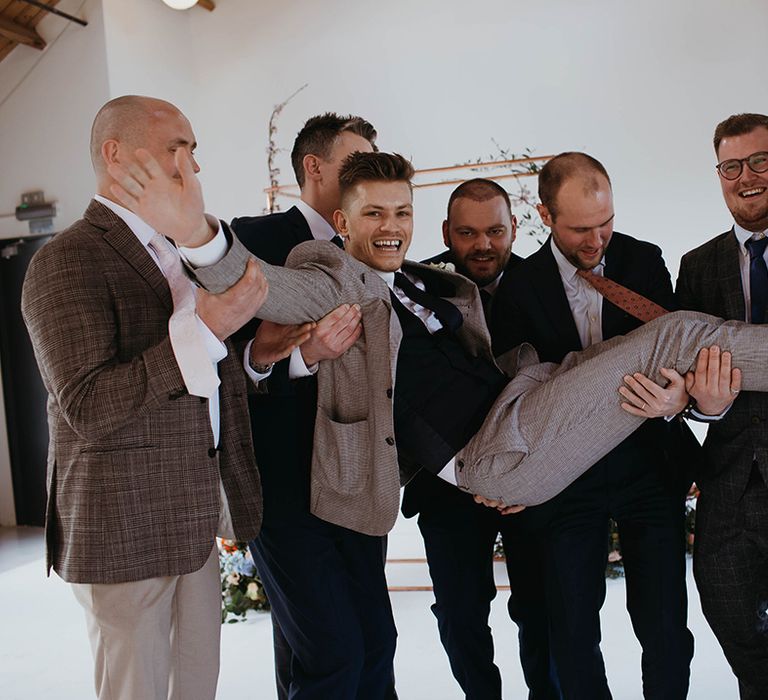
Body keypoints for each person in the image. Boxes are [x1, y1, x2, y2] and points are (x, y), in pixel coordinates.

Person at [110, 145, 768, 537]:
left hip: (522, 407)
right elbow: (260, 284)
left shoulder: (429, 281)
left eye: (401, 211)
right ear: (342, 222)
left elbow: (490, 349)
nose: (392, 227)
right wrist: (196, 231)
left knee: (658, 339)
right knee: (676, 333)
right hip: (496, 447)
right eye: (374, 214)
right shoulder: (336, 278)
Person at [20, 96, 266, 700]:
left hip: (193, 518)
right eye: (176, 148)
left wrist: (258, 356)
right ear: (115, 155)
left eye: (194, 150)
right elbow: (88, 405)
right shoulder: (65, 259)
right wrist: (205, 329)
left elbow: (210, 372)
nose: (193, 166)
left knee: (196, 688)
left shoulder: (184, 250)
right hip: (121, 523)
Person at [492, 152, 702, 698]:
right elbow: (514, 392)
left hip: (648, 467)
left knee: (664, 627)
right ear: (544, 214)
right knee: (572, 631)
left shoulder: (644, 260)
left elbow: (678, 344)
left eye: (605, 222)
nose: (597, 238)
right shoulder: (517, 288)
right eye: (581, 228)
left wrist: (679, 393)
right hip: (566, 480)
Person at [234, 113, 386, 699]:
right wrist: (303, 354)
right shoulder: (253, 239)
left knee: (373, 644)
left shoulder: (373, 246)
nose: (367, 173)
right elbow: (231, 360)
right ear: (313, 167)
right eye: (356, 161)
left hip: (357, 481)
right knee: (332, 654)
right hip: (284, 481)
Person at [402, 178, 560, 699]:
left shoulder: (546, 284)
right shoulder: (415, 286)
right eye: (467, 233)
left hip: (528, 479)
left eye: (494, 231)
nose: (482, 245)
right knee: (459, 610)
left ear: (514, 227)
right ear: (447, 232)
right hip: (447, 478)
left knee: (540, 606)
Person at [676, 112, 768, 700]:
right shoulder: (698, 266)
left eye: (760, 161)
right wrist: (703, 408)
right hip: (730, 489)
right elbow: (685, 383)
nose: (746, 177)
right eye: (731, 167)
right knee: (736, 629)